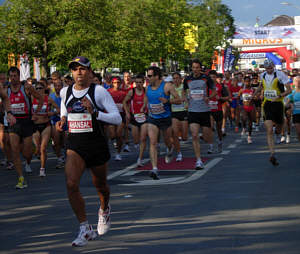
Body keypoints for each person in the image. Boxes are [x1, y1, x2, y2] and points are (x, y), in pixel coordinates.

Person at [56, 56, 121, 247]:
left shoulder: (98, 91)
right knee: (71, 183)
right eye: (75, 69)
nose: (78, 72)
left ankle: (104, 208)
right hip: (75, 145)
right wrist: (62, 119)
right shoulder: (65, 91)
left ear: (90, 72)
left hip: (96, 145)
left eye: (82, 69)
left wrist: (95, 113)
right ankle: (85, 228)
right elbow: (64, 107)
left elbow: (117, 118)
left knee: (100, 186)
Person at [7, 67, 43, 189]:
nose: (13, 78)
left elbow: (41, 98)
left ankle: (30, 152)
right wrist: (6, 113)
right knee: (15, 151)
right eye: (11, 76)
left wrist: (36, 113)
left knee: (27, 153)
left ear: (19, 76)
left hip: (26, 121)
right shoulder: (6, 89)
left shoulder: (26, 87)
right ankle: (21, 178)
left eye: (15, 76)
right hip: (14, 122)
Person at [143, 66, 181, 180]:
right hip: (153, 118)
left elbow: (179, 100)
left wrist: (168, 101)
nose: (147, 78)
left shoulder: (166, 86)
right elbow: (147, 98)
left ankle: (170, 149)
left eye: (149, 76)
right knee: (153, 142)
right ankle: (155, 169)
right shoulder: (147, 88)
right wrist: (144, 106)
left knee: (167, 141)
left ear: (157, 76)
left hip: (165, 118)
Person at [255, 59, 292, 165]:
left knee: (280, 126)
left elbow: (289, 90)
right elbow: (261, 86)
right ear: (265, 68)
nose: (269, 70)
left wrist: (279, 96)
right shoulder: (262, 75)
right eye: (267, 68)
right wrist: (255, 94)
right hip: (267, 104)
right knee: (269, 129)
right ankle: (272, 153)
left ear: (273, 66)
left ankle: (278, 132)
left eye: (270, 68)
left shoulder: (280, 75)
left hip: (278, 104)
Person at [183, 59, 216, 170]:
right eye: (194, 67)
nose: (196, 69)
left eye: (197, 67)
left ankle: (206, 138)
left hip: (205, 110)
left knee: (207, 137)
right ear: (191, 68)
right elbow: (183, 91)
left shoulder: (206, 78)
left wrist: (209, 97)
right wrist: (185, 101)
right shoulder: (187, 79)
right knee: (194, 135)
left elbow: (214, 90)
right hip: (193, 111)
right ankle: (198, 160)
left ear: (200, 68)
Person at [32, 81, 60, 177]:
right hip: (35, 126)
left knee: (43, 148)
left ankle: (42, 169)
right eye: (37, 88)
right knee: (38, 148)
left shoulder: (48, 99)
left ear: (44, 89)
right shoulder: (32, 99)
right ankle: (37, 152)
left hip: (46, 125)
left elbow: (58, 109)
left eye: (40, 88)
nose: (39, 90)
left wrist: (52, 113)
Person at [123, 74, 148, 166]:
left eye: (140, 82)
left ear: (143, 83)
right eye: (137, 82)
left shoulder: (146, 91)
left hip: (145, 117)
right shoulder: (131, 92)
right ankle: (137, 145)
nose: (138, 84)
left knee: (143, 138)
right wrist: (127, 113)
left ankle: (140, 159)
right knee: (136, 140)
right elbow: (124, 102)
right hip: (134, 117)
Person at [107, 76, 127, 160]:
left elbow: (126, 104)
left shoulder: (124, 93)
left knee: (119, 134)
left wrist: (127, 113)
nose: (116, 84)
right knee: (112, 135)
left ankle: (118, 153)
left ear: (121, 83)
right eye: (115, 82)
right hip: (111, 115)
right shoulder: (108, 92)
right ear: (112, 83)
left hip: (121, 115)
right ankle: (114, 141)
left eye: (118, 82)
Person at [171, 72, 188, 161]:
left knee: (184, 137)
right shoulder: (171, 88)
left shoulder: (184, 88)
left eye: (177, 78)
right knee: (175, 133)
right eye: (174, 78)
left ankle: (178, 141)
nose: (176, 80)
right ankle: (179, 153)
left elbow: (187, 98)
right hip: (174, 113)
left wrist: (186, 102)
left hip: (184, 112)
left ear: (181, 79)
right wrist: (174, 101)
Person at [50, 71, 66, 168]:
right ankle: (60, 158)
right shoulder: (51, 96)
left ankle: (64, 154)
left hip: (66, 120)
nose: (57, 88)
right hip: (55, 120)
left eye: (59, 85)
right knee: (56, 141)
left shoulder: (66, 94)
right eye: (55, 86)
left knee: (65, 141)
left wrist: (57, 112)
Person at [238, 76, 256, 144]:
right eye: (246, 81)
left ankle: (249, 136)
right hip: (244, 107)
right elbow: (237, 97)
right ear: (244, 82)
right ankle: (244, 128)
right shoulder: (242, 90)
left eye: (248, 81)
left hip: (251, 107)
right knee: (244, 118)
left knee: (250, 123)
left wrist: (255, 97)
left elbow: (257, 98)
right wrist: (239, 105)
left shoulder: (253, 89)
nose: (247, 83)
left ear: (250, 82)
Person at [287, 75, 300, 142]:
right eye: (296, 81)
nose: (298, 82)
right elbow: (287, 103)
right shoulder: (292, 93)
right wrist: (289, 105)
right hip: (296, 114)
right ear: (294, 83)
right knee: (298, 131)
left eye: (299, 81)